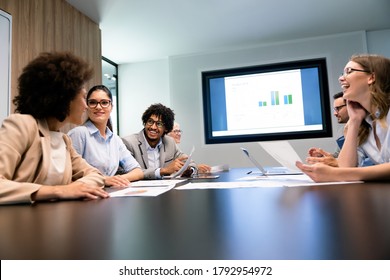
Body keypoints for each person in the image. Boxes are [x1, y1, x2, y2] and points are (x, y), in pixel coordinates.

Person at [0, 51, 109, 205]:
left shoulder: (64, 140)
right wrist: (60, 191)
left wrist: (75, 188)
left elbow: (96, 175)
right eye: (83, 97)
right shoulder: (21, 125)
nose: (86, 106)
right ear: (64, 97)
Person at [296, 54, 390, 182]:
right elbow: (345, 166)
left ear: (371, 77)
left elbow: (343, 171)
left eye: (349, 72)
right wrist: (354, 121)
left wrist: (336, 174)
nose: (341, 78)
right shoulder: (365, 123)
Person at [68, 85, 143, 187]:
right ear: (87, 106)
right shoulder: (79, 134)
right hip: (86, 195)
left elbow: (137, 171)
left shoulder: (115, 140)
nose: (98, 107)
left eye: (104, 103)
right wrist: (103, 180)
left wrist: (115, 180)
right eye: (93, 102)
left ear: (111, 107)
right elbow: (70, 174)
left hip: (110, 194)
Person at [122, 103, 197, 179]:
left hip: (165, 188)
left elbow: (190, 162)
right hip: (139, 189)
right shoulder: (129, 143)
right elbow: (127, 172)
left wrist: (190, 169)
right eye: (150, 121)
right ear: (145, 122)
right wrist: (162, 171)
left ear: (166, 128)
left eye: (159, 124)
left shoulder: (170, 142)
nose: (153, 127)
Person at [306, 91, 349, 167]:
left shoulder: (367, 129)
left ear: (350, 106)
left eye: (338, 109)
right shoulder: (341, 132)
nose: (335, 113)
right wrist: (322, 156)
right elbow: (338, 156)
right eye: (334, 110)